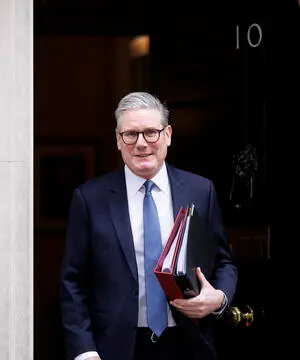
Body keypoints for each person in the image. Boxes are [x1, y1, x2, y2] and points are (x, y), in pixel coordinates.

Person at [60, 91, 238, 360]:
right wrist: (84, 351)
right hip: (115, 347)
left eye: (150, 133)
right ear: (118, 140)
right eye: (130, 134)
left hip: (188, 343)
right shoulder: (89, 199)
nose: (141, 143)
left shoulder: (200, 191)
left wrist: (219, 298)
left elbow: (224, 261)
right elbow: (73, 282)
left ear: (167, 134)